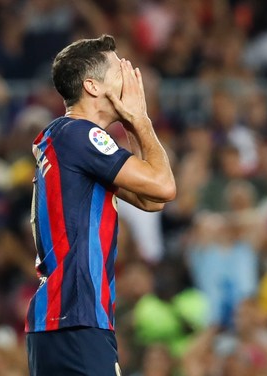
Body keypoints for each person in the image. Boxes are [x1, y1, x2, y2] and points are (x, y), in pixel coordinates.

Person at [25, 35, 175, 375]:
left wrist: (131, 123)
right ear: (92, 86)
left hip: (60, 319)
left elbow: (150, 201)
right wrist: (141, 119)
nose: (128, 77)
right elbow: (164, 186)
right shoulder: (80, 136)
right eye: (118, 70)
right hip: (78, 316)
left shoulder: (64, 139)